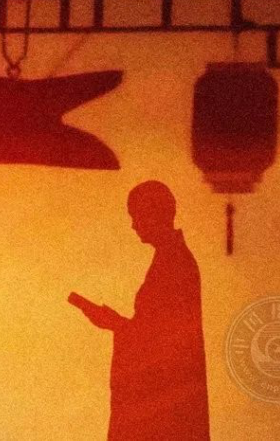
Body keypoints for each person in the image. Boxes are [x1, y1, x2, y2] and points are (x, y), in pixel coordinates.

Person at [75, 181, 210, 440]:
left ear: (155, 215)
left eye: (136, 216)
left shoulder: (174, 263)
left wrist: (115, 324)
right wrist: (118, 324)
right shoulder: (171, 259)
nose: (134, 225)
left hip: (165, 406)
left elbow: (163, 340)